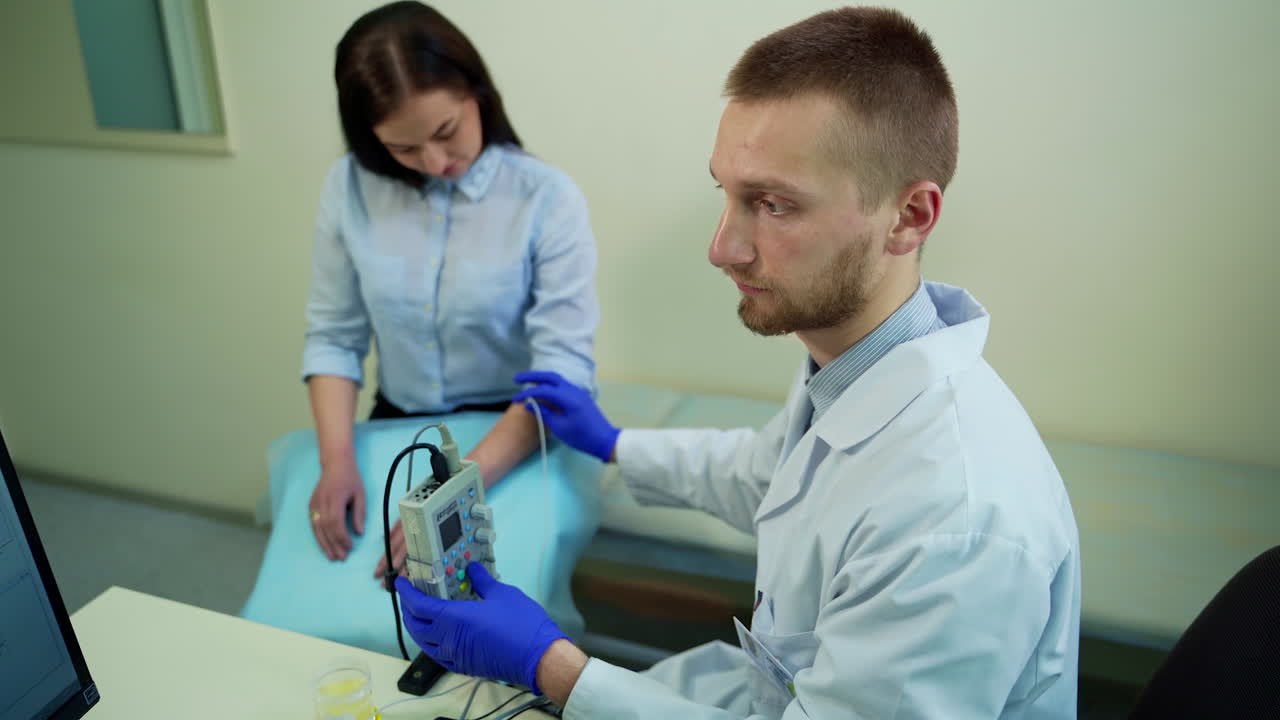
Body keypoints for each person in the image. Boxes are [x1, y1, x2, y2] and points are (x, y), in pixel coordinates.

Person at [395, 6, 1081, 718]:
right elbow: (773, 476)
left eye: (774, 204)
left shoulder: (955, 523)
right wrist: (613, 444)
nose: (723, 247)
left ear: (908, 217)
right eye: (726, 192)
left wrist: (557, 669)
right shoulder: (856, 365)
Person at [302, 1, 598, 586]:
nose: (435, 163)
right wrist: (335, 462)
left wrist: (452, 494)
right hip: (400, 426)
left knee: (485, 610)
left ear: (477, 94)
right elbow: (333, 338)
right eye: (404, 150)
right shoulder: (349, 187)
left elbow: (562, 371)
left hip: (516, 433)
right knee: (350, 589)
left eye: (446, 133)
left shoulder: (546, 199)